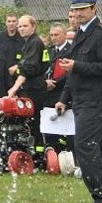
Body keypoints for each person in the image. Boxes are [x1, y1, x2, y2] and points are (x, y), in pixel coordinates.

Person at [55, 0, 102, 203]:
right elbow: (73, 72)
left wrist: (78, 66)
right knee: (95, 149)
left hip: (96, 99)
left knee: (85, 147)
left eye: (83, 9)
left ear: (94, 9)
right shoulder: (81, 33)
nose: (79, 13)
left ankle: (101, 199)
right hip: (82, 99)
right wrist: (64, 98)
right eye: (75, 9)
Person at [6, 14, 49, 161]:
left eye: (25, 26)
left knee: (33, 123)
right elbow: (27, 64)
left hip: (34, 90)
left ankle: (38, 157)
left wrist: (14, 88)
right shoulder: (28, 43)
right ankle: (32, 154)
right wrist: (18, 67)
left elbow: (29, 68)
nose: (21, 29)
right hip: (32, 88)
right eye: (20, 26)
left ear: (33, 27)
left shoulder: (35, 43)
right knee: (29, 123)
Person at [43, 23, 73, 153]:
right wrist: (44, 82)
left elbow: (69, 74)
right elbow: (42, 68)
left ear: (65, 34)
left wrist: (53, 82)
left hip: (63, 93)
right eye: (52, 35)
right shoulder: (48, 51)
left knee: (66, 130)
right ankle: (52, 155)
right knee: (50, 129)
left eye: (57, 35)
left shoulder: (71, 50)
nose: (54, 38)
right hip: (48, 95)